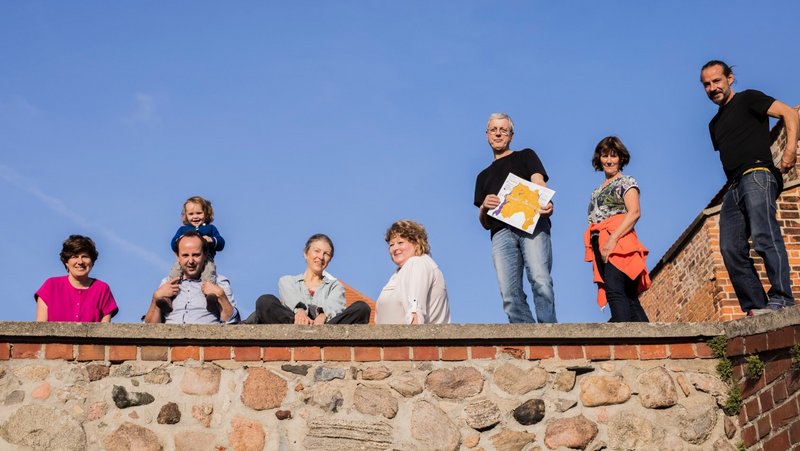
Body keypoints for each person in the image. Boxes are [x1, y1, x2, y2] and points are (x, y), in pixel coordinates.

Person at [700, 60, 798, 315]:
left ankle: (783, 299)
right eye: (707, 84)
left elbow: (790, 112)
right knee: (730, 247)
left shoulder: (749, 99)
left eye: (717, 81)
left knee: (765, 235)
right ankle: (756, 306)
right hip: (733, 187)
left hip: (757, 174)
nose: (712, 88)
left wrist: (788, 152)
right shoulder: (714, 125)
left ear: (730, 78)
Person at [474, 112, 557, 323]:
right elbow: (483, 223)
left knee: (540, 280)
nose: (498, 133)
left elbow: (539, 182)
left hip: (532, 224)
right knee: (509, 294)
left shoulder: (526, 155)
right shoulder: (482, 176)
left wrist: (546, 201)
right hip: (500, 233)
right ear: (487, 135)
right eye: (494, 129)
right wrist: (484, 207)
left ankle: (550, 336)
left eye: (503, 129)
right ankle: (527, 340)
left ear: (511, 135)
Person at [583, 137, 650, 322]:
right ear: (599, 158)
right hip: (600, 241)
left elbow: (634, 212)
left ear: (621, 158)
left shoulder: (626, 181)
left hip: (619, 241)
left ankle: (623, 342)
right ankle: (649, 343)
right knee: (628, 296)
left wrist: (612, 240)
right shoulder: (596, 191)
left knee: (614, 290)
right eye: (605, 156)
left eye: (614, 155)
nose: (609, 160)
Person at [243, 234, 370, 324]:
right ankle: (297, 332)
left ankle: (322, 336)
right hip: (293, 324)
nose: (321, 257)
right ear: (306, 253)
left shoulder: (335, 286)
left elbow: (335, 306)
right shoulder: (288, 281)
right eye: (317, 251)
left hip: (326, 327)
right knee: (265, 301)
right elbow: (290, 300)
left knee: (362, 308)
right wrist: (300, 312)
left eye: (326, 254)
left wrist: (323, 315)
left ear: (329, 259)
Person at [144, 231, 240, 324]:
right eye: (185, 255)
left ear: (205, 254)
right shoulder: (166, 282)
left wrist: (221, 295)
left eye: (196, 255)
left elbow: (233, 322)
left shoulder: (219, 281)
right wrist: (155, 299)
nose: (191, 261)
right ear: (177, 256)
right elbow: (148, 330)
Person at [157, 196, 225, 312]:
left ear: (206, 213)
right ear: (186, 216)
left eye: (199, 213)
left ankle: (210, 297)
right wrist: (181, 240)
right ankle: (167, 298)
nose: (195, 217)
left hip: (206, 258)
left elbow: (221, 243)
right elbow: (173, 244)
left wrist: (211, 240)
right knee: (175, 272)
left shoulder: (210, 228)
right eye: (191, 214)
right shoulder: (183, 230)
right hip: (184, 260)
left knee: (209, 272)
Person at [376, 220, 450, 324]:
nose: (395, 248)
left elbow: (414, 310)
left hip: (408, 338)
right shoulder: (398, 274)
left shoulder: (417, 263)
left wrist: (412, 338)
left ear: (416, 243)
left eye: (400, 242)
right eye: (391, 245)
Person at [34, 235, 118, 322]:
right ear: (66, 262)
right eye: (74, 257)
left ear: (92, 261)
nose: (80, 262)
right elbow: (40, 328)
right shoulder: (50, 286)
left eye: (85, 256)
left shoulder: (102, 289)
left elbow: (104, 332)